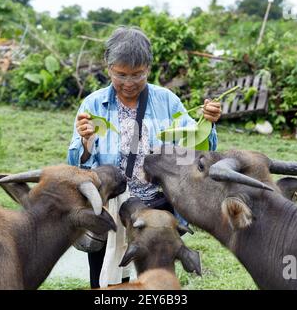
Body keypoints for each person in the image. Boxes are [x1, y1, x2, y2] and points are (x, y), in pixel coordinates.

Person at [67, 26, 221, 288]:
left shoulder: (167, 102)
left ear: (148, 68)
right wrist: (85, 140)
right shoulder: (93, 105)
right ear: (108, 68)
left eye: (137, 75)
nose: (129, 83)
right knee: (104, 280)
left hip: (157, 208)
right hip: (109, 207)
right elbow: (78, 164)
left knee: (156, 280)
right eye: (121, 74)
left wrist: (208, 123)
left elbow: (195, 151)